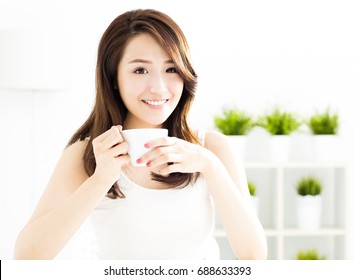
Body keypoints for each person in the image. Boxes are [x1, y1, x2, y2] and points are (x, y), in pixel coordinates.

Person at [14, 9, 267, 260]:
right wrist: (100, 179)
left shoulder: (212, 148)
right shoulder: (87, 155)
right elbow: (27, 257)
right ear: (113, 77)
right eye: (140, 71)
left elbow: (254, 256)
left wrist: (211, 166)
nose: (158, 88)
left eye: (171, 69)